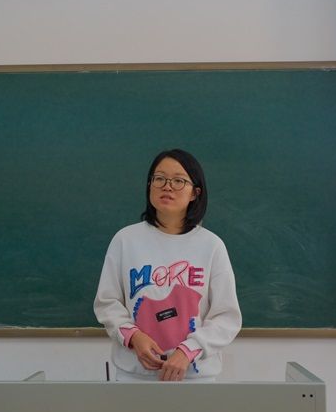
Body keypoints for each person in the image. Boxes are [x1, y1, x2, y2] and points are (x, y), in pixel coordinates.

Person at [94, 149, 242, 382]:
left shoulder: (211, 246)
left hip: (195, 380)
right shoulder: (125, 240)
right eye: (160, 178)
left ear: (195, 193)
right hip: (135, 378)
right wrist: (134, 337)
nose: (167, 187)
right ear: (149, 185)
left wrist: (188, 351)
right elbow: (107, 303)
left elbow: (227, 316)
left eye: (178, 180)